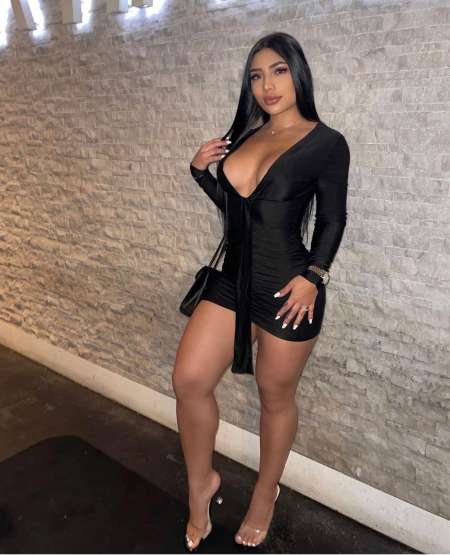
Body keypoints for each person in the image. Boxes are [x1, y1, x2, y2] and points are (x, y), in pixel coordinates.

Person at [172, 31, 350, 551]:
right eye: (256, 76)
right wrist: (201, 173)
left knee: (275, 397)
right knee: (189, 380)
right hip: (233, 281)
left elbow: (333, 219)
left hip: (289, 288)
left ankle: (265, 492)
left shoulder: (326, 143)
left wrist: (314, 276)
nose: (267, 85)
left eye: (278, 71)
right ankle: (200, 483)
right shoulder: (247, 136)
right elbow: (242, 213)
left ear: (298, 74)